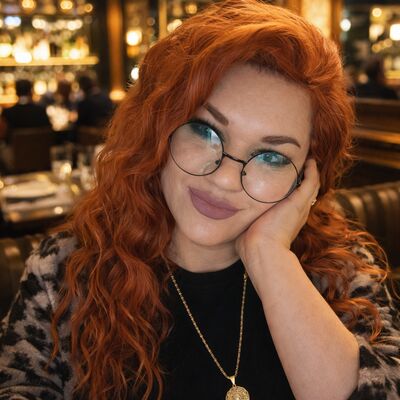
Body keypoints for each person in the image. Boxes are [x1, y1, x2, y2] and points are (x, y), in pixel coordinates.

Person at [0, 1, 399, 399]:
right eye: (206, 132)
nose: (224, 178)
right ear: (157, 127)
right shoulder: (63, 274)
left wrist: (269, 254)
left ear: (306, 179)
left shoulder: (341, 272)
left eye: (272, 157)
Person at [0, 79, 51, 143]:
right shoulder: (40, 110)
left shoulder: (7, 112)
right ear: (31, 92)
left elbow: (3, 136)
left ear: (16, 92)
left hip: (14, 149)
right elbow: (49, 133)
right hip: (38, 148)